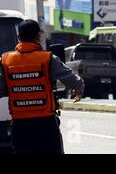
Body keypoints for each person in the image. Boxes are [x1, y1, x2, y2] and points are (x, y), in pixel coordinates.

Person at [0, 20, 84, 154]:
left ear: (19, 37)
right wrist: (79, 90)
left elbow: (2, 88)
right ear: (38, 36)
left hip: (20, 125)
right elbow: (74, 81)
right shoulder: (48, 59)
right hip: (46, 123)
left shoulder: (5, 61)